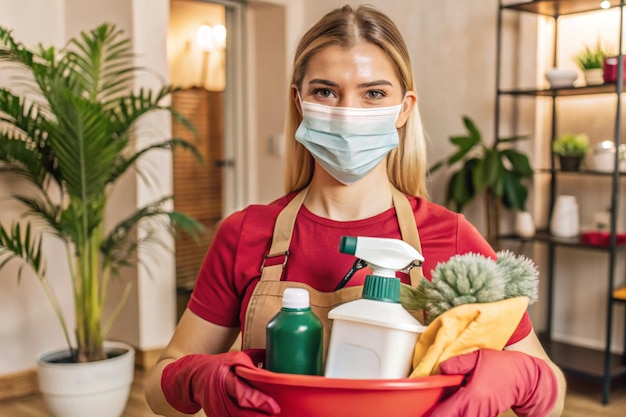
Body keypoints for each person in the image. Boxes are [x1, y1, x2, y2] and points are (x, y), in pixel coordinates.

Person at [145, 4, 566, 417]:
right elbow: (158, 388)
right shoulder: (246, 232)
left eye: (374, 93)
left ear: (404, 108)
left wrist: (522, 378)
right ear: (299, 100)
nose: (348, 112)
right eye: (325, 91)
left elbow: (554, 393)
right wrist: (196, 377)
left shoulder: (451, 237)